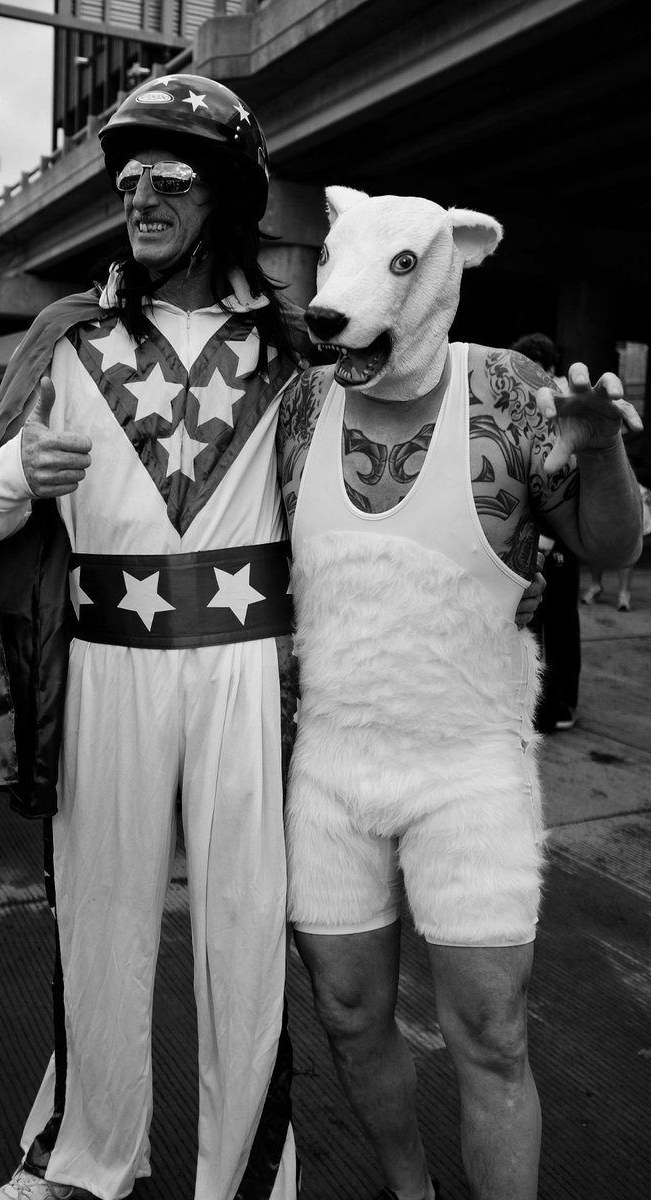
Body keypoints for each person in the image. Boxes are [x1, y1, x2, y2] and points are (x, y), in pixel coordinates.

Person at [0, 75, 305, 1200]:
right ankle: (88, 1158)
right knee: (97, 919)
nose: (140, 196)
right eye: (129, 178)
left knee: (245, 934)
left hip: (249, 667)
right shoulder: (64, 332)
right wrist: (9, 477)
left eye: (171, 180)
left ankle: (243, 1178)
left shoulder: (292, 347)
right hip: (101, 663)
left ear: (228, 199)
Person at [277, 187, 644, 1200]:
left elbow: (609, 547)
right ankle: (408, 1190)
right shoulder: (301, 402)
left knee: (488, 1029)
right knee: (348, 1015)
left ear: (445, 268)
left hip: (469, 766)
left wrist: (604, 449)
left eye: (396, 267)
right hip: (332, 764)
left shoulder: (508, 390)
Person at [511, 334, 581, 731]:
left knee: (558, 621)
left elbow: (568, 475)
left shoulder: (561, 404)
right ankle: (539, 703)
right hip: (534, 534)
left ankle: (561, 705)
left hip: (557, 535)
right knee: (535, 621)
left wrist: (552, 535)